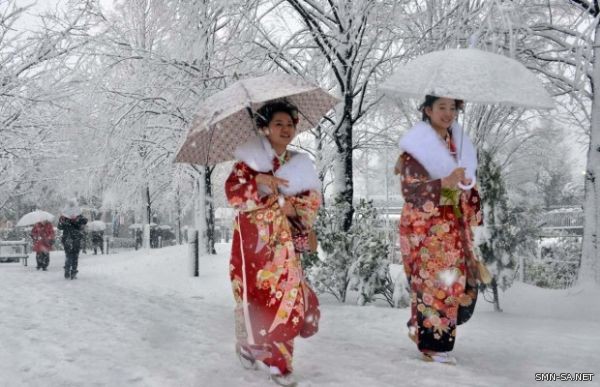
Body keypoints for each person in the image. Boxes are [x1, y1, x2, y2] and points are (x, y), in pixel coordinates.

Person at [225, 101, 322, 387]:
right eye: (278, 123)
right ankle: (249, 345)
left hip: (283, 247)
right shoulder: (248, 162)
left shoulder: (299, 163)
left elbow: (311, 200)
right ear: (264, 127)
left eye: (290, 124)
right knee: (253, 298)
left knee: (286, 299)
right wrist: (260, 183)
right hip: (252, 244)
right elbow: (233, 195)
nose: (285, 129)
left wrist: (293, 207)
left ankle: (280, 363)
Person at [395, 95, 483, 365]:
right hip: (429, 229)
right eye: (441, 107)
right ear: (427, 110)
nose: (448, 113)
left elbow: (468, 191)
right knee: (436, 284)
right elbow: (411, 190)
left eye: (453, 108)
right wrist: (444, 182)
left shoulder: (460, 148)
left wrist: (467, 189)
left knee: (453, 284)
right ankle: (433, 345)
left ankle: (425, 331)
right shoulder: (416, 149)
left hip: (453, 227)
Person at [57, 199, 88, 279]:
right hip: (74, 237)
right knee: (74, 255)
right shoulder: (76, 214)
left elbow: (60, 227)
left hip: (69, 238)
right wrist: (76, 220)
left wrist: (65, 221)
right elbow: (84, 221)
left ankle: (68, 270)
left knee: (69, 255)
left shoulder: (67, 215)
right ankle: (72, 271)